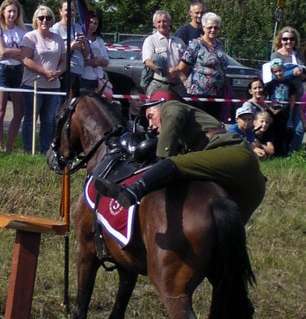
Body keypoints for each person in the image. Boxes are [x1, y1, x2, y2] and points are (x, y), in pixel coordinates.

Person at [93, 91, 265, 224]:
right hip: (249, 188)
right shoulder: (189, 138)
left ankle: (132, 191)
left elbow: (174, 118)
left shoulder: (171, 106)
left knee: (172, 164)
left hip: (233, 153)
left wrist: (162, 159)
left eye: (151, 117)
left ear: (161, 105)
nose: (150, 125)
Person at [19, 5, 66, 154]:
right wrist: (44, 72)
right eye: (41, 18)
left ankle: (46, 150)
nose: (45, 20)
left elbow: (64, 60)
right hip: (33, 85)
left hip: (53, 86)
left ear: (52, 20)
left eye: (48, 17)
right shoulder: (30, 37)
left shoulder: (58, 38)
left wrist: (58, 72)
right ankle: (28, 150)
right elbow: (25, 59)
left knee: (49, 120)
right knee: (30, 119)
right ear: (36, 20)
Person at [0, 0, 26, 152]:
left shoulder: (22, 31)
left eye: (14, 12)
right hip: (2, 70)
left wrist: (9, 52)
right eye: (9, 11)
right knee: (0, 110)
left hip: (18, 70)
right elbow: (1, 50)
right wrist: (14, 52)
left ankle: (9, 146)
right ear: (3, 12)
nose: (12, 14)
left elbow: (25, 53)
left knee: (19, 111)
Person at [178, 12, 228, 121]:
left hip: (217, 94)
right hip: (199, 95)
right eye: (210, 27)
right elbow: (182, 67)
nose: (213, 30)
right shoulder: (195, 44)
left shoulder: (219, 45)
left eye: (216, 27)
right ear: (204, 27)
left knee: (214, 124)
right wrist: (185, 82)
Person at [270, 26, 305, 154]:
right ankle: (280, 153)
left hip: (298, 98)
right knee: (283, 127)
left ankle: (294, 154)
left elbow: (304, 76)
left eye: (291, 39)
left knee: (299, 128)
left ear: (295, 40)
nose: (288, 41)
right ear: (280, 40)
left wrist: (302, 75)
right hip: (282, 99)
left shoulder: (299, 56)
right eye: (285, 39)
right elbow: (274, 76)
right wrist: (292, 73)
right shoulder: (276, 55)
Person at [142, 10, 185, 95]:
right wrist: (167, 74)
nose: (162, 24)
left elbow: (185, 61)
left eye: (164, 21)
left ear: (169, 23)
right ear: (154, 24)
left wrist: (176, 70)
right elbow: (148, 62)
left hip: (178, 86)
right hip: (159, 85)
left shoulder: (179, 41)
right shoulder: (150, 40)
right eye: (159, 22)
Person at [50, 0, 88, 94]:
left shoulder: (78, 27)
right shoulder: (55, 29)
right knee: (64, 100)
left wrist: (84, 43)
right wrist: (70, 47)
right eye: (67, 10)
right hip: (65, 71)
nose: (70, 13)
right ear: (60, 11)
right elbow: (53, 52)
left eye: (72, 10)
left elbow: (86, 54)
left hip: (79, 71)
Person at [264, 58, 297, 156]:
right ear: (272, 72)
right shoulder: (270, 84)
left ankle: (280, 153)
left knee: (282, 132)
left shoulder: (289, 84)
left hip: (284, 113)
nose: (278, 73)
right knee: (271, 131)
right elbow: (263, 99)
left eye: (280, 70)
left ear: (284, 69)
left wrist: (290, 110)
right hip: (272, 112)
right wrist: (271, 110)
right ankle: (271, 152)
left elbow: (293, 98)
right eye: (276, 71)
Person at [80, 10, 109, 91]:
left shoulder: (100, 40)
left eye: (95, 23)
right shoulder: (80, 38)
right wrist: (91, 62)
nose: (92, 25)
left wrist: (101, 61)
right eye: (90, 22)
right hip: (84, 79)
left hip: (99, 79)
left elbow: (107, 61)